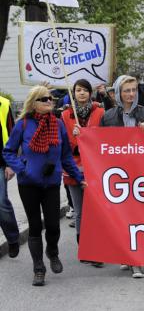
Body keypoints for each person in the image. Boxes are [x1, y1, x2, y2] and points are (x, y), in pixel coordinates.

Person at [3, 86, 85, 286]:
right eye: (44, 99)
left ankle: (52, 251)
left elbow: (65, 155)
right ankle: (38, 268)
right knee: (35, 226)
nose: (49, 101)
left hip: (51, 184)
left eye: (50, 99)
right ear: (33, 103)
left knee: (53, 226)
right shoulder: (22, 125)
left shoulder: (57, 125)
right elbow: (8, 152)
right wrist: (22, 168)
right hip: (28, 183)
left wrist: (78, 177)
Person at [100, 75, 144, 278]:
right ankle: (126, 255)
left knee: (138, 217)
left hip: (141, 176)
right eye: (126, 91)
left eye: (134, 90)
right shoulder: (108, 116)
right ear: (118, 93)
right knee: (122, 218)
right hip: (118, 176)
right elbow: (101, 145)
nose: (131, 94)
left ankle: (136, 261)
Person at [60, 80, 105, 267]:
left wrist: (88, 135)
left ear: (90, 93)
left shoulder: (100, 112)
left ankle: (98, 248)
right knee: (80, 211)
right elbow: (62, 142)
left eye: (85, 90)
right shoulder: (65, 115)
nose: (81, 93)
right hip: (73, 169)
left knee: (95, 210)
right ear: (73, 93)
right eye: (78, 90)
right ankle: (84, 247)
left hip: (96, 169)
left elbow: (106, 138)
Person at [0, 94, 19, 258]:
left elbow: (12, 135)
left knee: (1, 202)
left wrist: (10, 163)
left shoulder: (4, 104)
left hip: (1, 161)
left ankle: (13, 239)